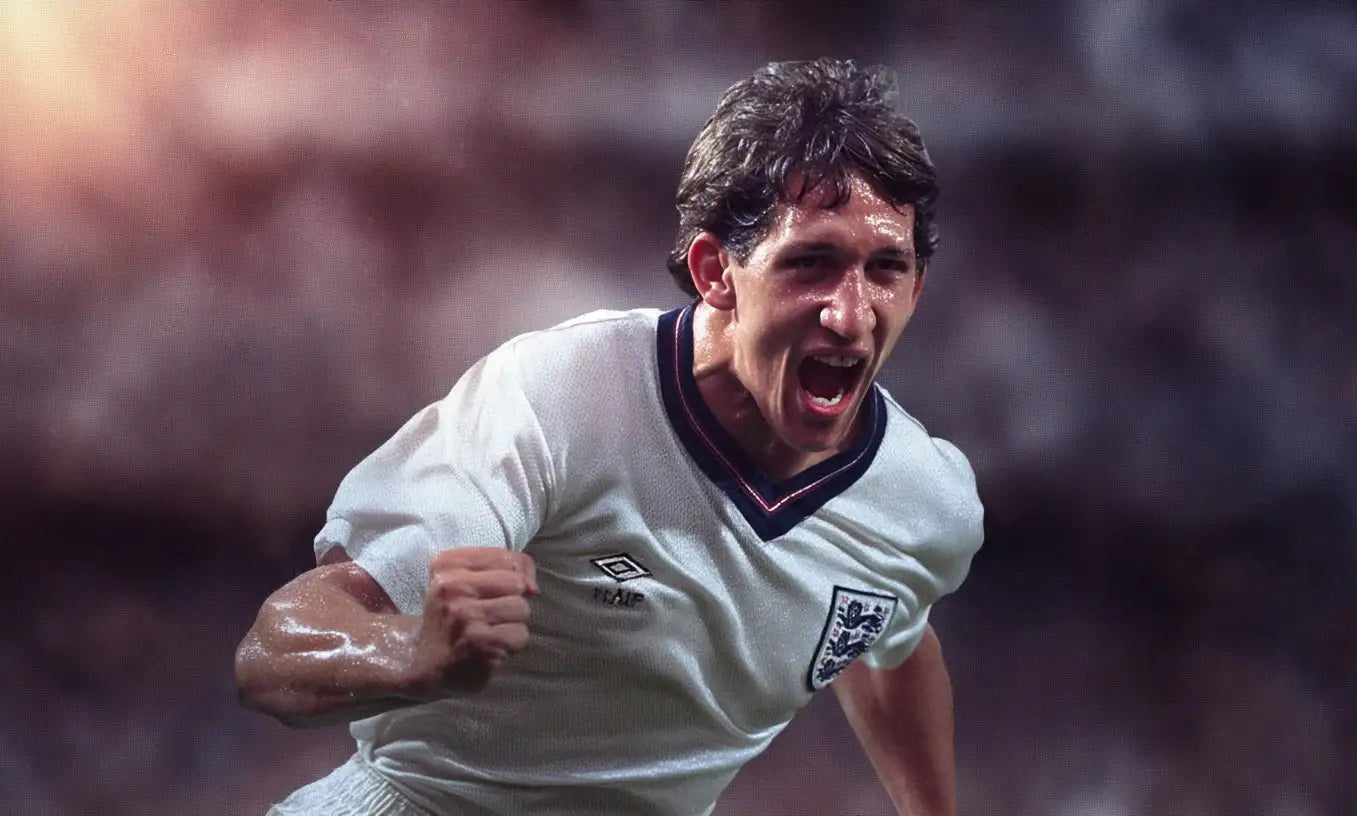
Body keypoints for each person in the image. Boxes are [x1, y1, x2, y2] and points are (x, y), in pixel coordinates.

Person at [236, 57, 984, 816]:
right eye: (810, 263)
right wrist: (408, 653)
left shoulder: (925, 502)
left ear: (916, 288)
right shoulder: (560, 395)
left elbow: (892, 637)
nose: (851, 314)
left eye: (886, 268)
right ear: (714, 272)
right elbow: (271, 654)